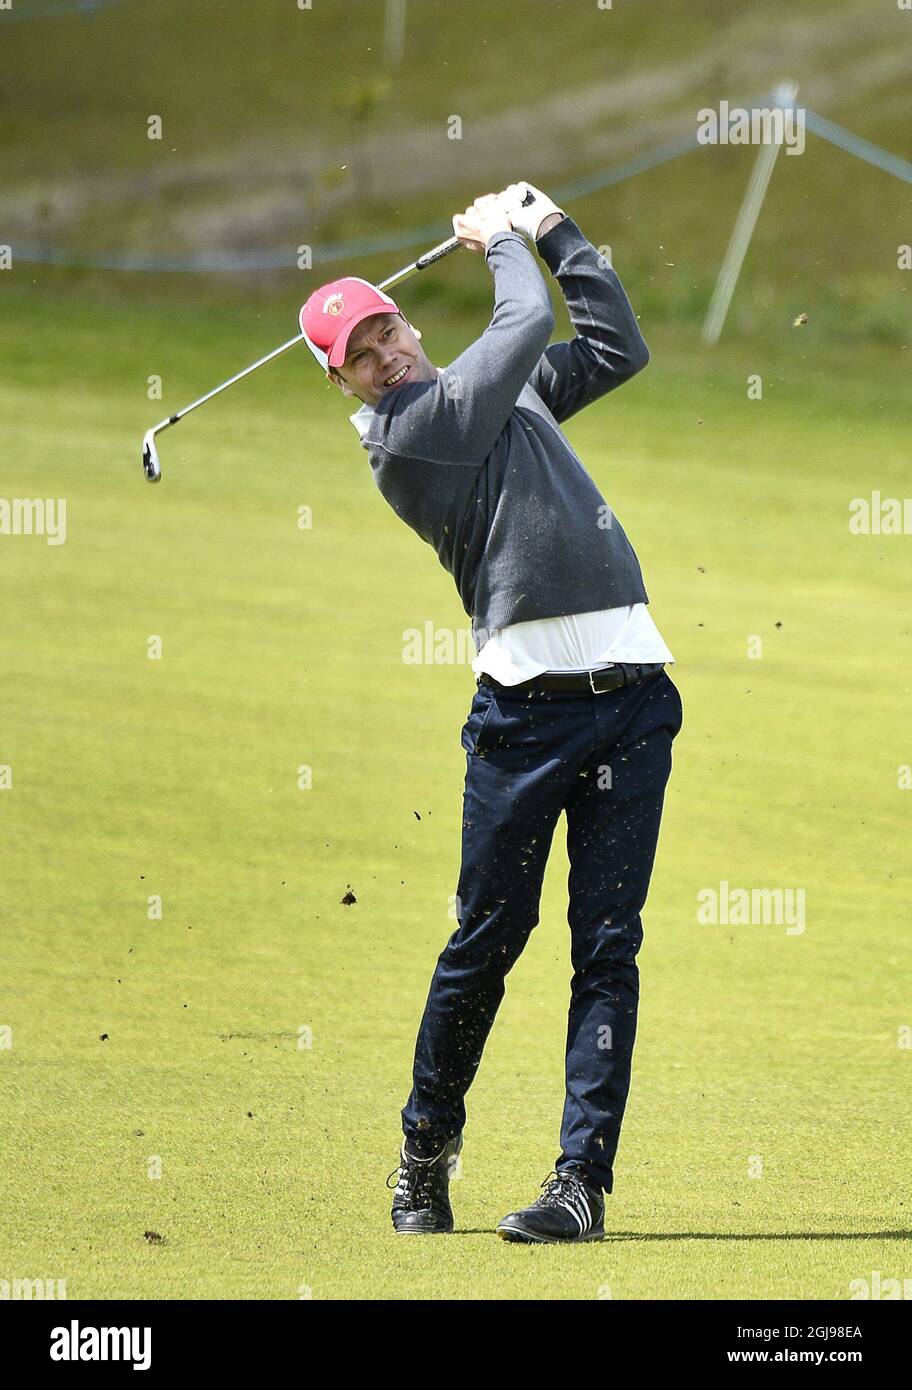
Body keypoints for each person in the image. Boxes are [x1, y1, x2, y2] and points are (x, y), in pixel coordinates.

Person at [300, 183, 683, 1243]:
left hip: (635, 703)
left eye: (388, 330)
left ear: (410, 322)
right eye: (361, 355)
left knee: (608, 947)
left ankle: (580, 1186)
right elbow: (522, 324)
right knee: (486, 941)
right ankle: (426, 1153)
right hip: (523, 724)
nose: (386, 356)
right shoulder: (412, 435)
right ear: (343, 383)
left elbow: (612, 343)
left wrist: (558, 233)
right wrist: (506, 239)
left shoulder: (492, 394)